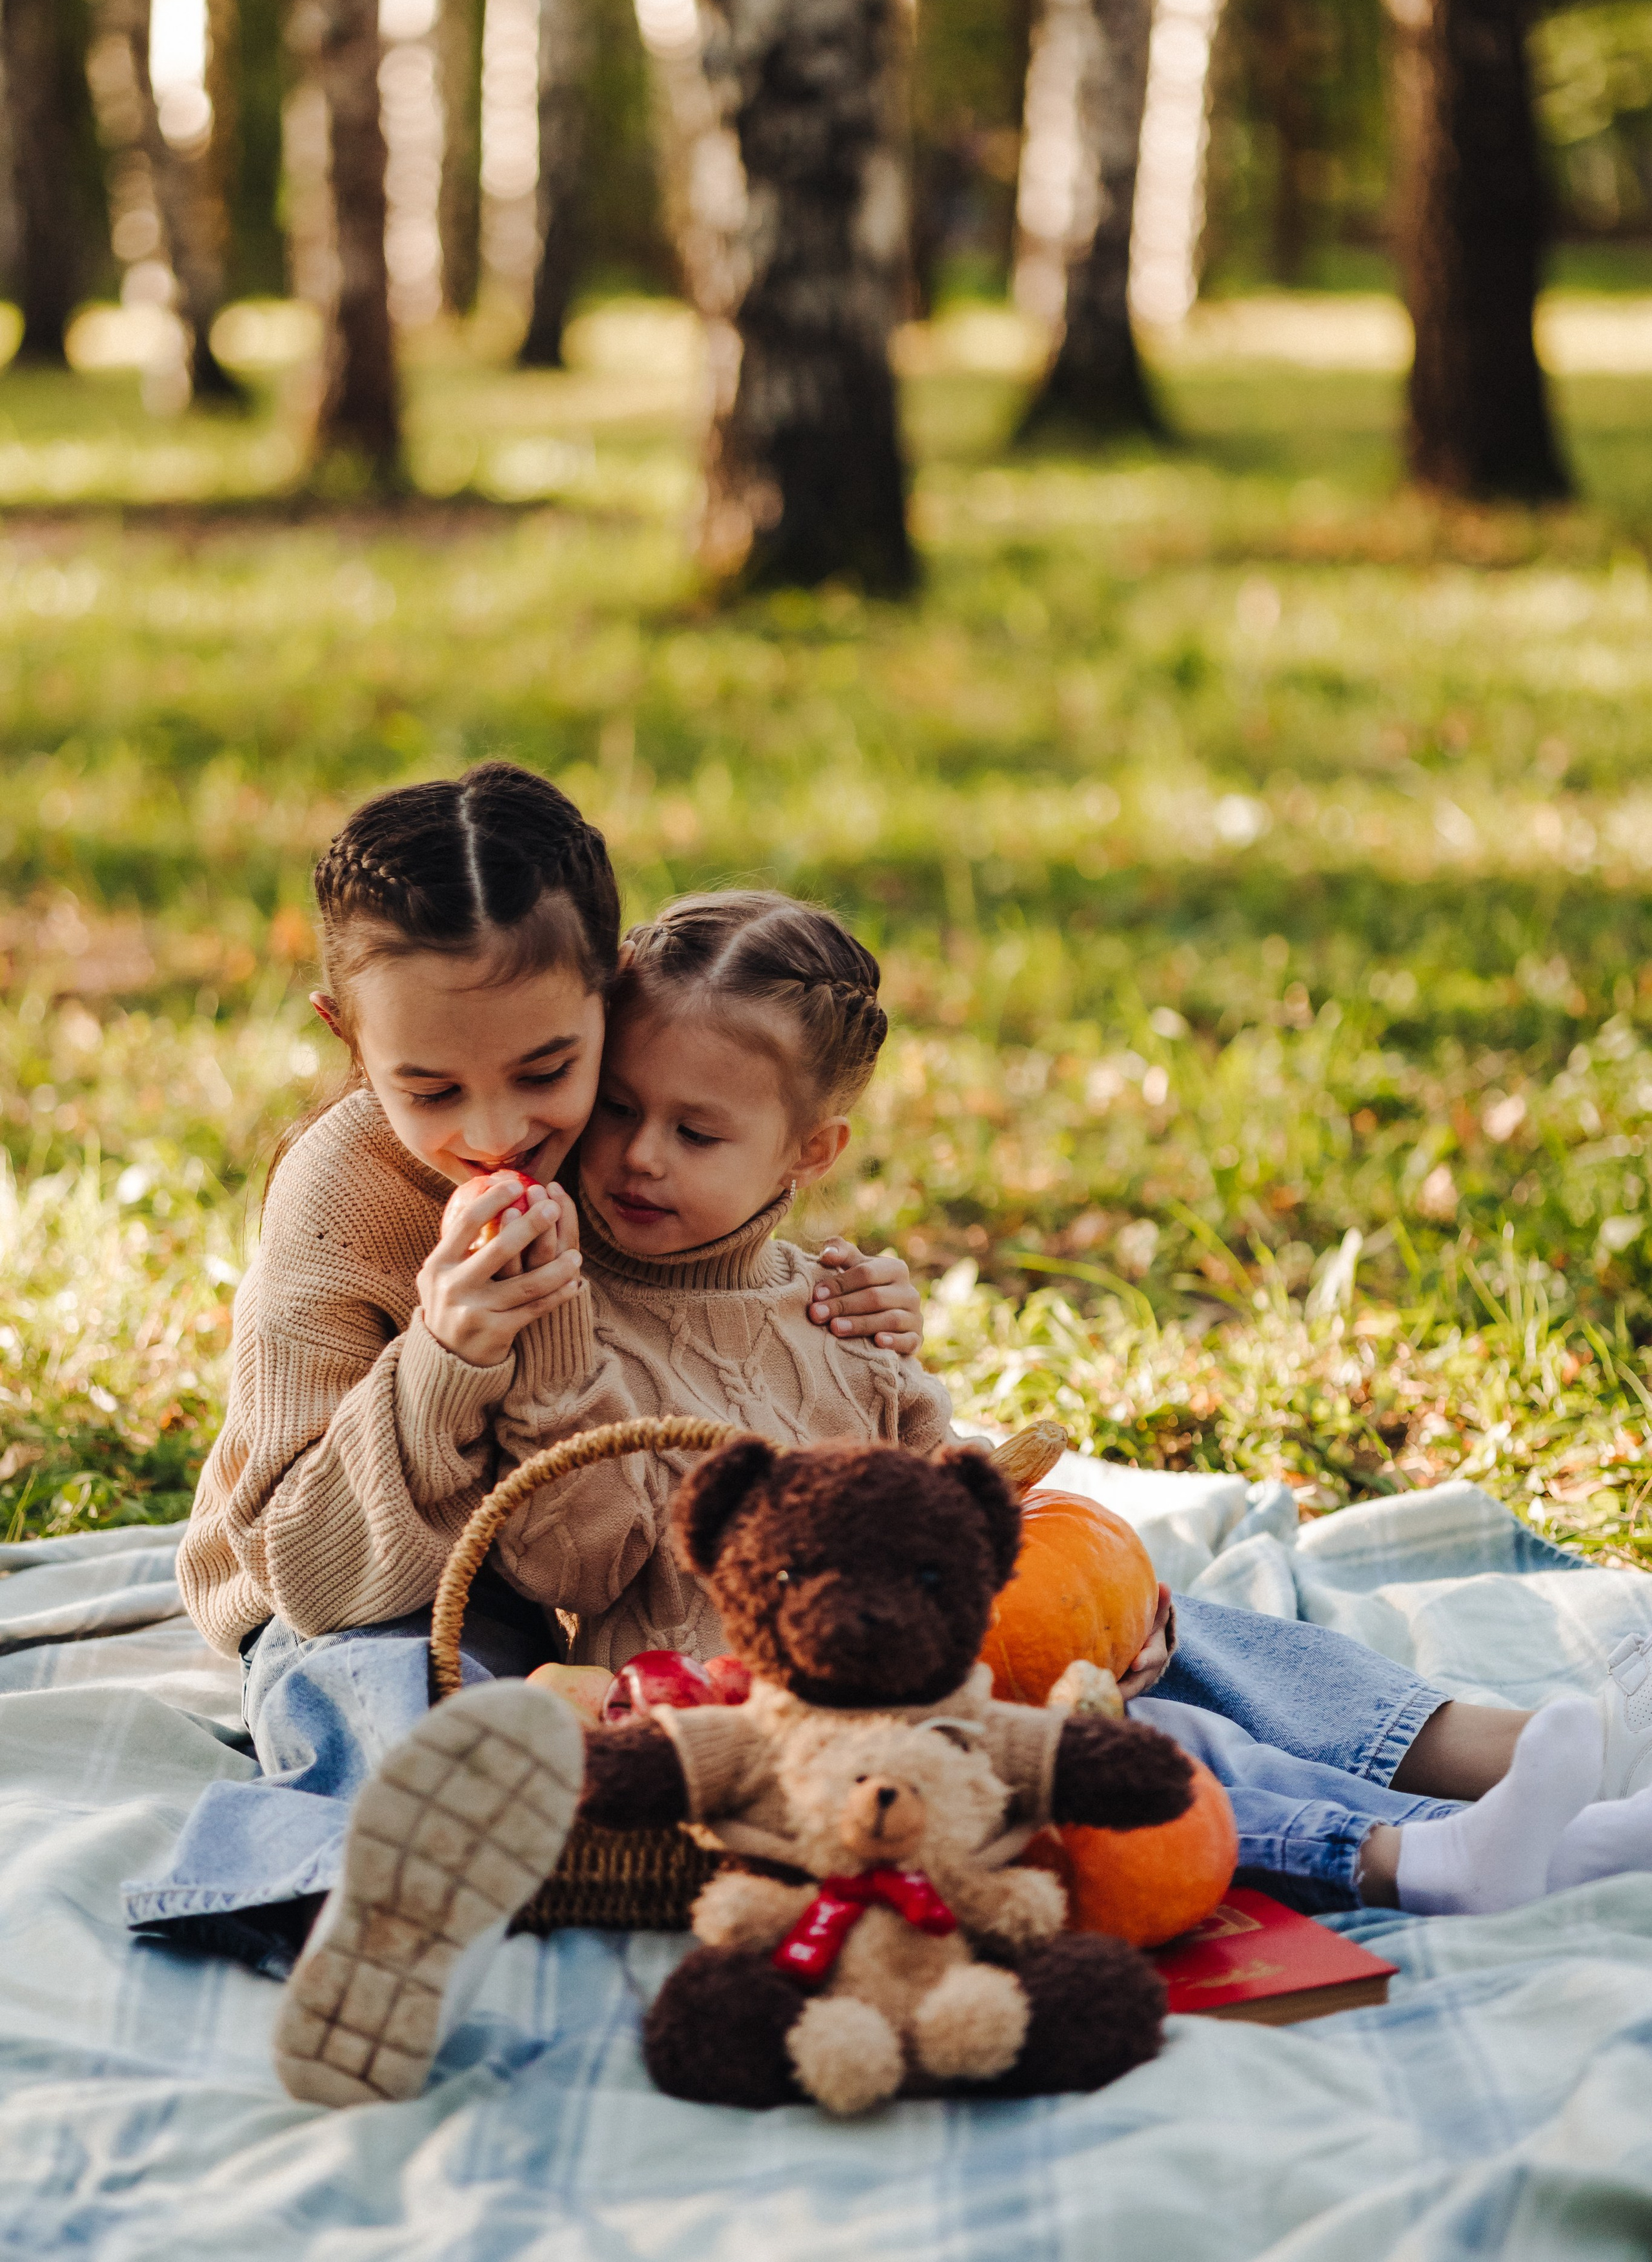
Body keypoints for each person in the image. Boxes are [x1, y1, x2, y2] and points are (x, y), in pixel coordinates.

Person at [123, 771, 1652, 2108]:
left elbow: (730, 1261)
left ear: (604, 996)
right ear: (347, 1042)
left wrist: (855, 1321)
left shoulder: (633, 1135)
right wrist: (448, 1353)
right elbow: (313, 1573)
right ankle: (377, 1914)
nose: (500, 1131)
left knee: (1112, 1605)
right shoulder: (345, 1202)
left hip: (651, 1583)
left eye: (546, 1074)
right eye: (426, 1086)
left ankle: (1498, 1761)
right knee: (404, 1707)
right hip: (371, 1573)